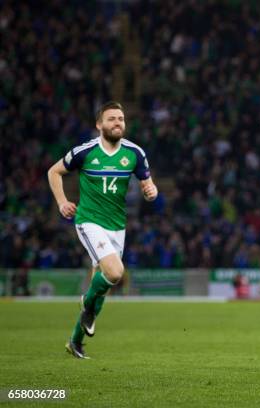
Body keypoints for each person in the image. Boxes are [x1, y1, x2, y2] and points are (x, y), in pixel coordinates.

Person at [48, 101, 158, 359]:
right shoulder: (85, 152)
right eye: (111, 119)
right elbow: (54, 172)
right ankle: (85, 302)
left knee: (104, 285)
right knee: (115, 272)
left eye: (121, 118)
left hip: (117, 226)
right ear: (99, 125)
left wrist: (151, 192)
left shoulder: (134, 153)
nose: (117, 123)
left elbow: (148, 186)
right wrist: (62, 202)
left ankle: (74, 342)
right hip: (89, 221)